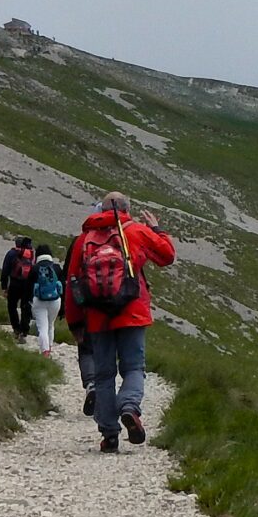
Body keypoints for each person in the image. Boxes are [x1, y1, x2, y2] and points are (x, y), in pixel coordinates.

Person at [61, 193, 176, 452]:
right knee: (134, 368)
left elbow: (72, 284)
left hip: (97, 317)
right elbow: (167, 256)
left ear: (101, 209)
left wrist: (75, 323)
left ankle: (109, 435)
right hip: (132, 312)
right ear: (127, 209)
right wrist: (156, 228)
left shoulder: (84, 240)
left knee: (103, 375)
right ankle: (129, 407)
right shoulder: (134, 231)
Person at [0, 236, 41, 339]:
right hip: (28, 284)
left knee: (12, 306)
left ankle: (16, 329)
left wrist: (4, 287)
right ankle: (24, 331)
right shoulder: (31, 255)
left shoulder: (12, 253)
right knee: (25, 306)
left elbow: (5, 270)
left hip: (14, 283)